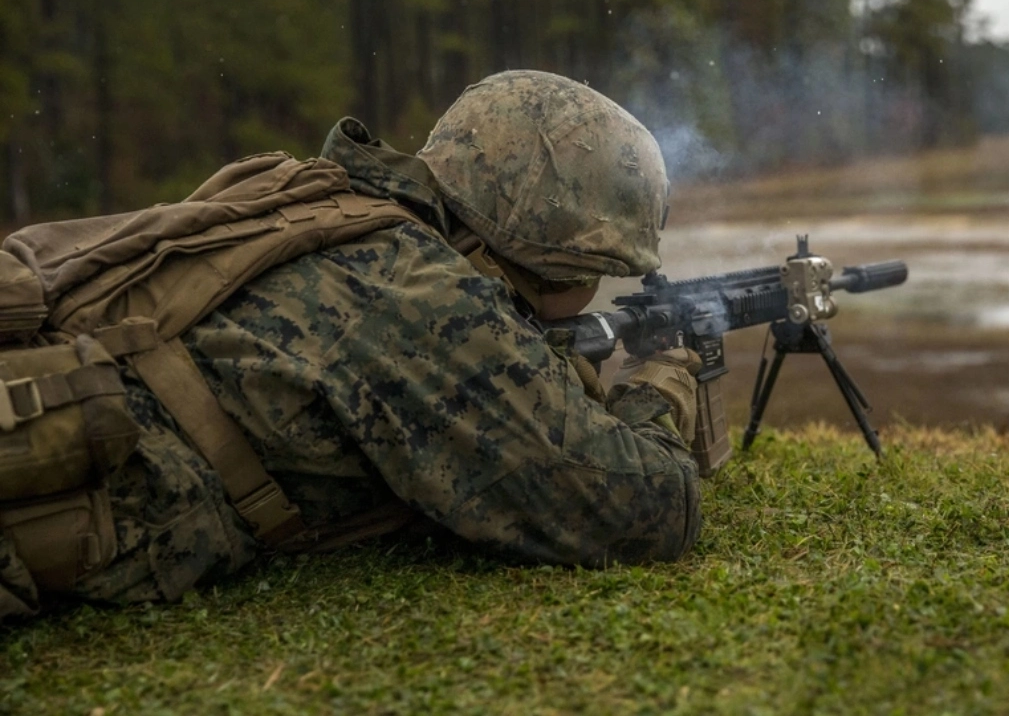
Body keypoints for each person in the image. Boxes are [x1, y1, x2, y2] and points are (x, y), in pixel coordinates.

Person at [0, 70, 702, 622]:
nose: (594, 290)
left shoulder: (323, 200)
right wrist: (655, 389)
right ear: (542, 249)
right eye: (595, 273)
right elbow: (644, 512)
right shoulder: (420, 293)